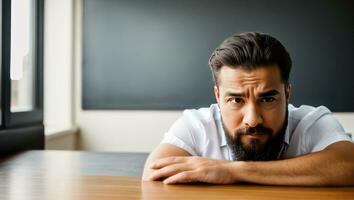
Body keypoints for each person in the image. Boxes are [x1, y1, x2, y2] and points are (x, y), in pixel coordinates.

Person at [142, 32, 354, 186]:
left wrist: (231, 171)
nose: (252, 120)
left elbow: (349, 164)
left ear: (287, 93)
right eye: (236, 100)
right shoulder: (197, 125)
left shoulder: (312, 121)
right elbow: (153, 174)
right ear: (218, 96)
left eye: (268, 99)